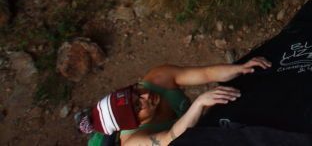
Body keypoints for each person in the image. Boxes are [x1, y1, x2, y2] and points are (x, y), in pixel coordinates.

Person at [78, 57, 270, 145]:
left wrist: (241, 68)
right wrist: (198, 104)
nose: (146, 96)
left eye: (137, 91)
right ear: (134, 123)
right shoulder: (134, 142)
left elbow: (206, 73)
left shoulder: (158, 78)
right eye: (138, 106)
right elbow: (170, 138)